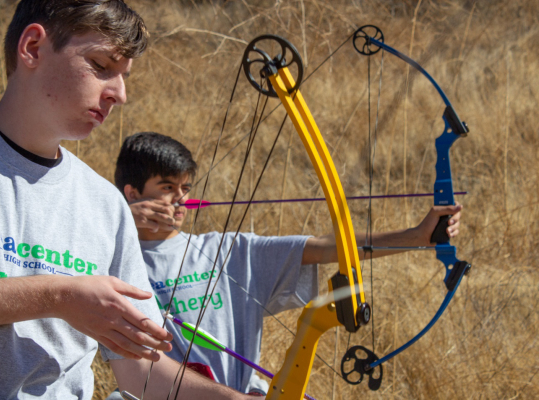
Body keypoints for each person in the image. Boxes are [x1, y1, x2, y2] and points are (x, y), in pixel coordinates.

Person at [0, 1, 252, 399]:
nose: (119, 94)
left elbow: (139, 371)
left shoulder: (105, 203)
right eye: (102, 66)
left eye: (124, 76)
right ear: (33, 47)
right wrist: (60, 296)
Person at [114, 131, 464, 395]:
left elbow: (327, 248)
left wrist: (417, 236)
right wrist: (121, 220)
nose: (180, 200)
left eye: (186, 188)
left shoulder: (227, 251)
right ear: (133, 194)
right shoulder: (109, 255)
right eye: (166, 188)